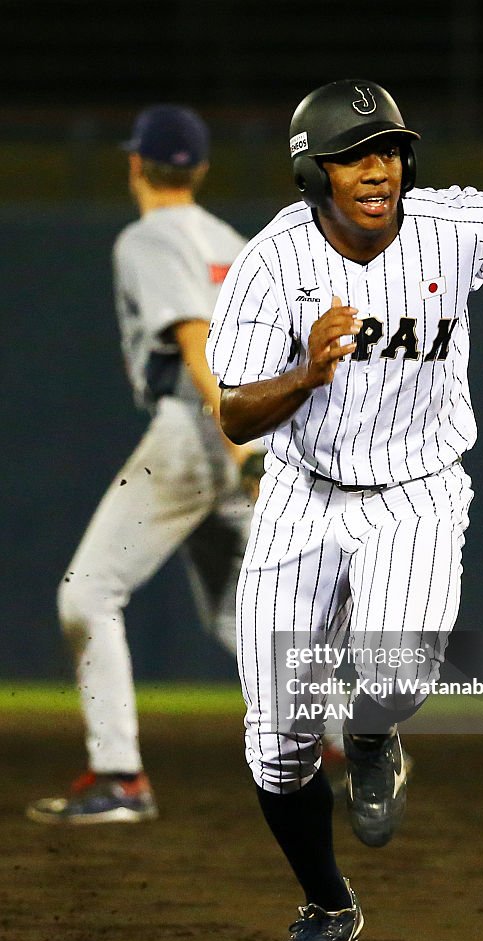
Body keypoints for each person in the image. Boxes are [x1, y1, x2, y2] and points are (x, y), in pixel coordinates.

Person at [206, 80, 483, 941]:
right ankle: (326, 906)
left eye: (386, 147)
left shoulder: (450, 226)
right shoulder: (271, 261)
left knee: (395, 673)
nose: (377, 166)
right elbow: (233, 414)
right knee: (274, 745)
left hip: (416, 491)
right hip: (302, 495)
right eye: (353, 153)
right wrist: (306, 372)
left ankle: (376, 736)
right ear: (314, 171)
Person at [26, 104, 261, 825]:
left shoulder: (148, 237)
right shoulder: (232, 240)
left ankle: (120, 776)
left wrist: (237, 445)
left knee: (88, 595)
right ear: (202, 170)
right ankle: (349, 738)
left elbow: (196, 343)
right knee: (240, 611)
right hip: (246, 426)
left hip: (200, 427)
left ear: (135, 164)